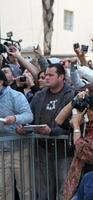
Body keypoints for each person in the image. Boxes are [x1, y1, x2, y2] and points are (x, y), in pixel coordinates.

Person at [30, 63, 75, 200]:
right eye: (45, 75)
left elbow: (74, 124)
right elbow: (30, 117)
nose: (46, 78)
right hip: (42, 148)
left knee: (64, 189)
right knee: (44, 189)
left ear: (61, 77)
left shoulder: (72, 95)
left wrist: (52, 132)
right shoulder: (39, 95)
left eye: (50, 75)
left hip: (64, 150)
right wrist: (25, 127)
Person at [0, 70, 33, 200]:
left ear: (1, 82)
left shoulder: (16, 96)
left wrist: (14, 118)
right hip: (1, 151)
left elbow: (28, 115)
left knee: (25, 188)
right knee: (2, 190)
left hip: (20, 149)